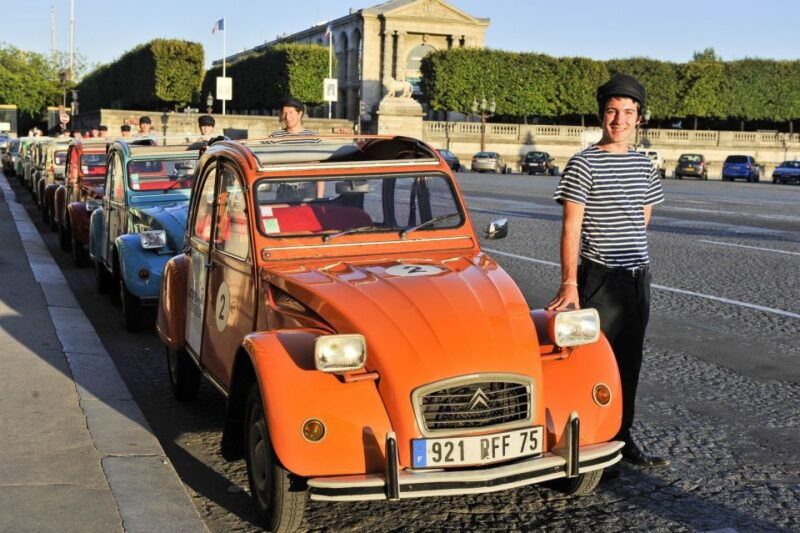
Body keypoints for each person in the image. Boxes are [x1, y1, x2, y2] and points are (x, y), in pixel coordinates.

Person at [546, 74, 667, 468]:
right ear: (602, 115)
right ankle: (588, 447)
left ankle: (621, 438)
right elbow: (571, 226)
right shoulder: (583, 164)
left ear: (639, 119)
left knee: (629, 363)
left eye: (628, 112)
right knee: (591, 365)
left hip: (636, 280)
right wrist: (570, 283)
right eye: (613, 111)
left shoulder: (646, 166)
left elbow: (642, 220)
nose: (620, 119)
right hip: (598, 279)